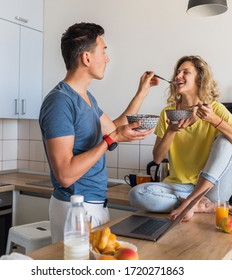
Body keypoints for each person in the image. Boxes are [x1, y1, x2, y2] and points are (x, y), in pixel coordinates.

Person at [39, 22, 158, 243]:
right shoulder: (60, 102)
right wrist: (112, 139)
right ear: (86, 58)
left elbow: (114, 129)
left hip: (94, 205)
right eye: (103, 51)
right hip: (74, 208)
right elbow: (65, 175)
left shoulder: (87, 98)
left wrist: (142, 91)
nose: (107, 58)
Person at [129, 55, 232, 221]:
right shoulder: (168, 113)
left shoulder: (215, 109)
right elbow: (157, 158)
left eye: (185, 72)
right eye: (177, 72)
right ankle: (198, 205)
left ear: (199, 79)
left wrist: (214, 120)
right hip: (178, 186)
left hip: (212, 190)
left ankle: (191, 202)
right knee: (137, 194)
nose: (178, 76)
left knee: (226, 138)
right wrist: (171, 131)